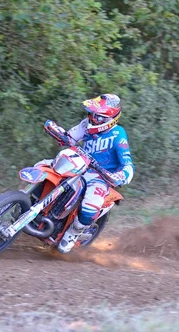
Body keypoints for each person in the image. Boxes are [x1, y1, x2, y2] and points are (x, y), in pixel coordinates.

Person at [44, 94, 135, 253]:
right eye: (92, 114)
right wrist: (57, 131)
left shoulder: (118, 134)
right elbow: (70, 138)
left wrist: (119, 176)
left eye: (97, 116)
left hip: (100, 176)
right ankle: (27, 200)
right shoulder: (87, 124)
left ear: (109, 119)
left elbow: (127, 164)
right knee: (45, 165)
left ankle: (73, 233)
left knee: (89, 207)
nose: (92, 118)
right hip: (78, 164)